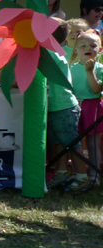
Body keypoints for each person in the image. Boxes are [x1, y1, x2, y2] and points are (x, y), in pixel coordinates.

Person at [47, 21, 84, 189]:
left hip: (64, 106)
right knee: (60, 142)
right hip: (58, 105)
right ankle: (61, 173)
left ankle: (82, 176)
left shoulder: (50, 54)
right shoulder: (54, 52)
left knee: (71, 142)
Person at [67, 29, 103, 191]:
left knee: (92, 142)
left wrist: (90, 72)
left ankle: (94, 174)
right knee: (75, 141)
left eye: (92, 45)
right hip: (74, 106)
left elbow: (96, 89)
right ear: (76, 50)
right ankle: (79, 173)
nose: (88, 48)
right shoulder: (71, 68)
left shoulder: (100, 68)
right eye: (83, 45)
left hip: (92, 106)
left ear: (99, 50)